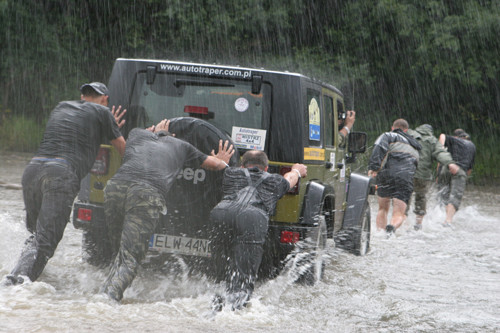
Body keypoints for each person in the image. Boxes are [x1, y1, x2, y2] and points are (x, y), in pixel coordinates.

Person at [4, 82, 126, 285]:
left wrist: (106, 128)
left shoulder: (62, 106)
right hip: (60, 175)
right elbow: (121, 147)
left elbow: (76, 137)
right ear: (105, 100)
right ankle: (14, 287)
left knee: (36, 236)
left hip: (33, 171)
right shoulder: (103, 113)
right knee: (45, 242)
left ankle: (18, 277)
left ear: (82, 96)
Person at [102, 119, 235, 302]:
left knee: (120, 248)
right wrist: (223, 160)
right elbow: (216, 165)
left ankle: (106, 290)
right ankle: (108, 300)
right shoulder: (182, 145)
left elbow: (147, 132)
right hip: (146, 194)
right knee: (131, 256)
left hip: (115, 188)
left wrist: (154, 130)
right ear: (173, 136)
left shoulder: (136, 133)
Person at [209, 150, 307, 310]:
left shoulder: (231, 173)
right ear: (266, 168)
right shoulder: (274, 180)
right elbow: (290, 179)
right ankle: (234, 312)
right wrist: (296, 170)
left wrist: (220, 160)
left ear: (242, 166)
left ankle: (214, 305)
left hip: (221, 213)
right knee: (243, 275)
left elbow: (219, 166)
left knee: (219, 268)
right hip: (252, 217)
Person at [368, 119, 421, 235]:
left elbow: (379, 148)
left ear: (393, 128)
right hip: (405, 178)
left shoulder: (389, 135)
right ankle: (391, 227)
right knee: (399, 213)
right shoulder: (416, 147)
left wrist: (374, 168)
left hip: (386, 175)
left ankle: (380, 234)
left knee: (382, 209)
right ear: (406, 130)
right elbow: (415, 167)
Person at [406, 124, 459, 230]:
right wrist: (450, 163)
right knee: (421, 198)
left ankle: (402, 221)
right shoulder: (432, 140)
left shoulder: (409, 134)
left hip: (406, 172)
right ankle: (418, 224)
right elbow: (440, 153)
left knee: (404, 197)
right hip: (422, 175)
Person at [437, 129, 476, 226]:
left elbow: (442, 135)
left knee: (443, 194)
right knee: (455, 196)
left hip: (446, 168)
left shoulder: (455, 140)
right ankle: (448, 221)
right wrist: (463, 179)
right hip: (460, 170)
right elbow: (469, 168)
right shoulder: (472, 146)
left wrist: (440, 149)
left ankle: (438, 216)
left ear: (456, 136)